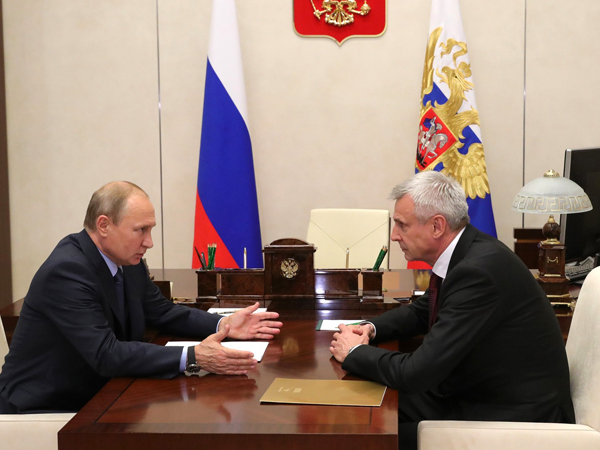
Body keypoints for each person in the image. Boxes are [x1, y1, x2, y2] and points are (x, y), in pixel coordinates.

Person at [329, 171, 575, 450]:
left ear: (437, 226)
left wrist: (354, 352)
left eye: (401, 225)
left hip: (514, 416)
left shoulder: (479, 272)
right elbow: (424, 310)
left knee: (364, 433)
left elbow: (416, 373)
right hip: (475, 391)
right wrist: (370, 329)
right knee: (359, 405)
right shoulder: (469, 252)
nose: (394, 236)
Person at [0, 181, 282, 413]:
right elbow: (106, 354)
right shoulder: (67, 271)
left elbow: (161, 311)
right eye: (140, 230)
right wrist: (193, 356)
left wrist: (224, 325)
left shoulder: (127, 259)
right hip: (46, 407)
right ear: (103, 225)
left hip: (104, 393)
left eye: (150, 230)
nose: (149, 242)